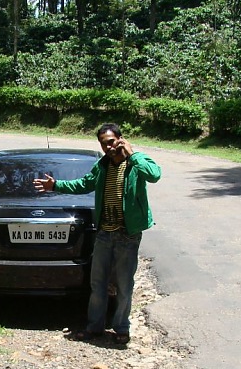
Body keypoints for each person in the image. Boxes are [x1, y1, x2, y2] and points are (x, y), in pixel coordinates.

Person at [33, 123, 161, 345]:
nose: (108, 147)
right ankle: (95, 328)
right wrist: (55, 186)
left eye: (111, 142)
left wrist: (132, 153)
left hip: (127, 235)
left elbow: (155, 175)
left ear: (121, 139)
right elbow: (83, 184)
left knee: (124, 284)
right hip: (105, 233)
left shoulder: (136, 163)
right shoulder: (102, 166)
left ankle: (121, 327)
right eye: (103, 144)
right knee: (98, 283)